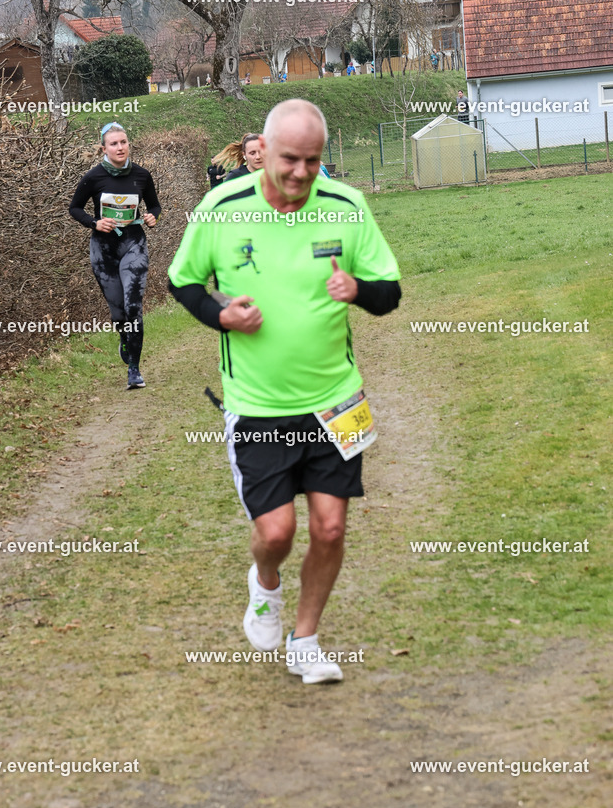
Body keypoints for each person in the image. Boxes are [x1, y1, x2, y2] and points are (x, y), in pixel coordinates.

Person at [168, 99, 401, 685]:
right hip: (258, 404)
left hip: (336, 400)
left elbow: (389, 291)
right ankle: (264, 584)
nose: (301, 173)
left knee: (330, 528)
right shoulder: (221, 208)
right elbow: (183, 281)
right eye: (290, 159)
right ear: (262, 152)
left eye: (314, 162)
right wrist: (220, 318)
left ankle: (306, 639)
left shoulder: (347, 206)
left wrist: (360, 291)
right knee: (277, 532)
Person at [69, 122, 161, 390]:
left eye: (124, 142)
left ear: (128, 144)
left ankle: (134, 368)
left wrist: (153, 216)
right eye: (114, 143)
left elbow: (154, 204)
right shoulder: (93, 177)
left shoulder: (142, 175)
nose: (120, 147)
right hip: (103, 250)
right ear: (104, 148)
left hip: (134, 244)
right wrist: (94, 223)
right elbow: (74, 208)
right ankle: (125, 338)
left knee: (134, 306)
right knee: (119, 311)